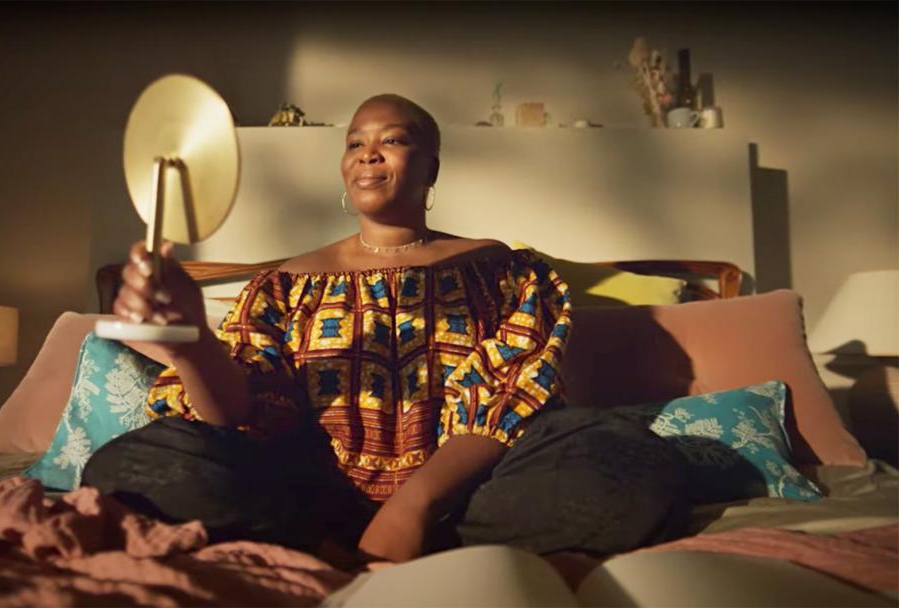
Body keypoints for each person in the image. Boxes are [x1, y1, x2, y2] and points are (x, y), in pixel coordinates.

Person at [81, 94, 689, 567]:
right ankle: (329, 551)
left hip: (465, 498)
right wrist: (192, 343)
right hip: (303, 502)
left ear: (431, 167)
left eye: (392, 140)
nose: (368, 154)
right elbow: (238, 411)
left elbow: (509, 395)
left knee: (629, 458)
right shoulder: (284, 283)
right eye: (355, 143)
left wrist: (411, 509)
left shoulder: (499, 268)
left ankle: (400, 544)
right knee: (128, 465)